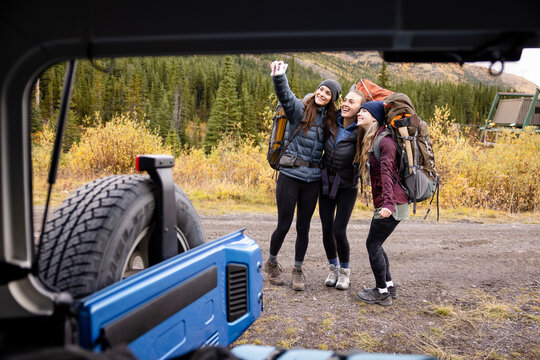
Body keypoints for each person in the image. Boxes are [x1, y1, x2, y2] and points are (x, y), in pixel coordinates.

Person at [265, 60, 341, 291]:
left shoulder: (330, 121)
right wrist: (279, 77)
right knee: (284, 225)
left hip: (312, 181)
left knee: (303, 227)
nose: (322, 94)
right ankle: (272, 262)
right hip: (290, 175)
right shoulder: (299, 109)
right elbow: (285, 95)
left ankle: (297, 269)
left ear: (332, 99)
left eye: (328, 93)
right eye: (321, 89)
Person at [354, 101, 409, 305]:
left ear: (375, 117)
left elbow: (387, 173)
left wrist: (387, 204)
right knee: (377, 243)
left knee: (373, 244)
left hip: (392, 202)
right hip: (394, 201)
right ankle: (389, 286)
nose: (360, 113)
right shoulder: (377, 138)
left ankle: (381, 292)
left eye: (364, 111)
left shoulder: (384, 142)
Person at [319, 90, 366, 290]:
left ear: (360, 109)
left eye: (352, 102)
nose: (346, 104)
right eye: (345, 100)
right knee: (326, 228)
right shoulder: (331, 122)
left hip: (347, 185)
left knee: (339, 229)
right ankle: (333, 268)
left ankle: (345, 271)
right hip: (325, 182)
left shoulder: (364, 130)